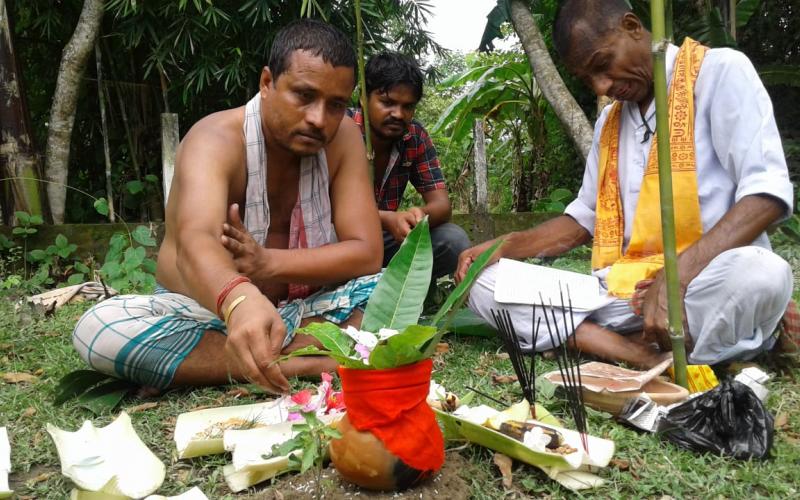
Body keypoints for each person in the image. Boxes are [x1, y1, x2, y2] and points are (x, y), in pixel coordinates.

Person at [457, 0, 794, 369]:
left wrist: (677, 275)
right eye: (588, 79)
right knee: (484, 281)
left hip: (699, 284)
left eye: (603, 65)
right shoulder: (609, 123)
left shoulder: (720, 72)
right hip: (617, 293)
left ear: (632, 26)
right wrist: (506, 246)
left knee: (764, 274)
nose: (602, 85)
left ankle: (585, 339)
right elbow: (583, 218)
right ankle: (637, 352)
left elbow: (767, 194)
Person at [72, 20, 383, 394]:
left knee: (392, 292)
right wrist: (238, 300)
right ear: (267, 83)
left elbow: (366, 253)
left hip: (309, 311)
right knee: (97, 330)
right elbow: (195, 239)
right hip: (204, 313)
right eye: (304, 95)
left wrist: (269, 263)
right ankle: (307, 361)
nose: (319, 119)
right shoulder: (214, 138)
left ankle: (227, 362)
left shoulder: (343, 137)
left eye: (336, 105)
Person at [347, 52, 470, 280]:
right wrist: (386, 219)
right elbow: (326, 212)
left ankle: (395, 295)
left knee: (453, 241)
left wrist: (418, 215)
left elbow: (442, 205)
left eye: (407, 106)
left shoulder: (414, 136)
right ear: (364, 98)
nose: (398, 114)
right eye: (387, 102)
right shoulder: (341, 129)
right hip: (343, 238)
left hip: (387, 240)